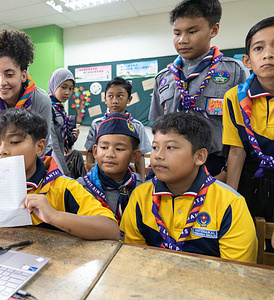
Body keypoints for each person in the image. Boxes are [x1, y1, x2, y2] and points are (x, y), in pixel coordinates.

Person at [0, 108, 120, 240]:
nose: (2, 151)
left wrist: (54, 216)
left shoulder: (62, 187)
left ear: (39, 147)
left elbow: (111, 229)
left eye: (14, 142)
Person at [121, 112, 257, 263]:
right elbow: (131, 257)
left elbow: (237, 272)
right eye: (154, 147)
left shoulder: (231, 204)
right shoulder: (141, 195)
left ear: (199, 157)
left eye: (170, 147)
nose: (158, 155)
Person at [148, 0, 249, 181]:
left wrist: (228, 172)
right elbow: (157, 126)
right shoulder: (164, 77)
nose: (182, 40)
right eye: (177, 33)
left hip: (215, 165)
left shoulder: (234, 71)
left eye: (192, 31)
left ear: (213, 29)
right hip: (169, 163)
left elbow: (245, 131)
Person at [222, 17, 274, 243]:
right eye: (259, 48)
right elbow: (237, 151)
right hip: (251, 183)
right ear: (247, 60)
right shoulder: (234, 97)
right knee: (247, 243)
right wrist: (229, 200)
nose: (268, 54)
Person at [0, 29, 53, 155]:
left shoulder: (40, 100)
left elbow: (41, 143)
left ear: (24, 75)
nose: (1, 82)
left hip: (38, 157)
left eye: (9, 74)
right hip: (4, 155)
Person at [78, 112, 142, 223]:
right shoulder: (80, 188)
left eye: (119, 149)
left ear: (134, 156)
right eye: (104, 147)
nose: (110, 154)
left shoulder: (140, 187)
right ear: (95, 151)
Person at [84, 77, 151, 179]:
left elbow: (140, 156)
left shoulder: (136, 126)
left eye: (120, 96)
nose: (115, 101)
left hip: (128, 176)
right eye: (110, 96)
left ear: (129, 99)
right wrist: (92, 172)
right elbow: (89, 151)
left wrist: (141, 180)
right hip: (101, 175)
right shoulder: (97, 124)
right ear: (105, 99)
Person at [48, 68, 78, 176]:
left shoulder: (60, 109)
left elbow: (61, 140)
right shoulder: (48, 107)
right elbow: (53, 143)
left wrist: (72, 138)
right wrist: (64, 170)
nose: (67, 92)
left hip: (59, 159)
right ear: (54, 85)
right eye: (63, 87)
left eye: (71, 88)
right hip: (51, 162)